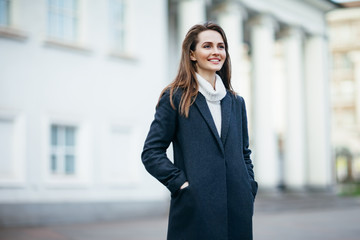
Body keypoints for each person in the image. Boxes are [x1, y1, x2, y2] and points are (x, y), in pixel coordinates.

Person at [141, 22, 258, 240]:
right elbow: (151, 153)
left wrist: (248, 187)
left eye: (221, 46)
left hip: (238, 210)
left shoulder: (236, 102)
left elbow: (244, 153)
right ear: (192, 54)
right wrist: (182, 185)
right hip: (195, 210)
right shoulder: (175, 97)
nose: (216, 52)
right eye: (207, 46)